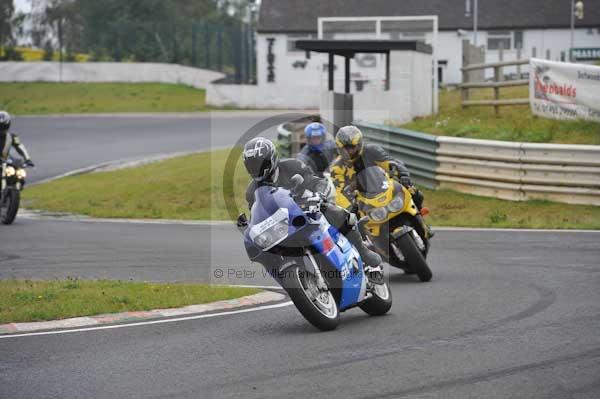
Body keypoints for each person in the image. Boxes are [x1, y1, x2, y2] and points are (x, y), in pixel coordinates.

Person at [242, 137, 383, 280]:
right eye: (252, 165)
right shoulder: (252, 191)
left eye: (260, 163)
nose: (257, 168)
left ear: (271, 158)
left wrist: (319, 194)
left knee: (334, 212)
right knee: (269, 253)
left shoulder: (292, 166)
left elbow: (316, 182)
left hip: (307, 207)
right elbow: (257, 212)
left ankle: (363, 252)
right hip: (284, 225)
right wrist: (250, 226)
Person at [330, 125, 431, 235]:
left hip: (382, 185)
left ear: (359, 144)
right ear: (339, 149)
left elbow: (391, 163)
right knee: (350, 225)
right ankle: (369, 245)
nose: (348, 152)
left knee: (414, 192)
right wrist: (347, 208)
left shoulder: (372, 150)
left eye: (351, 147)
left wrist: (403, 175)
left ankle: (420, 218)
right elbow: (339, 192)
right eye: (345, 148)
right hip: (360, 199)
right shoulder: (336, 167)